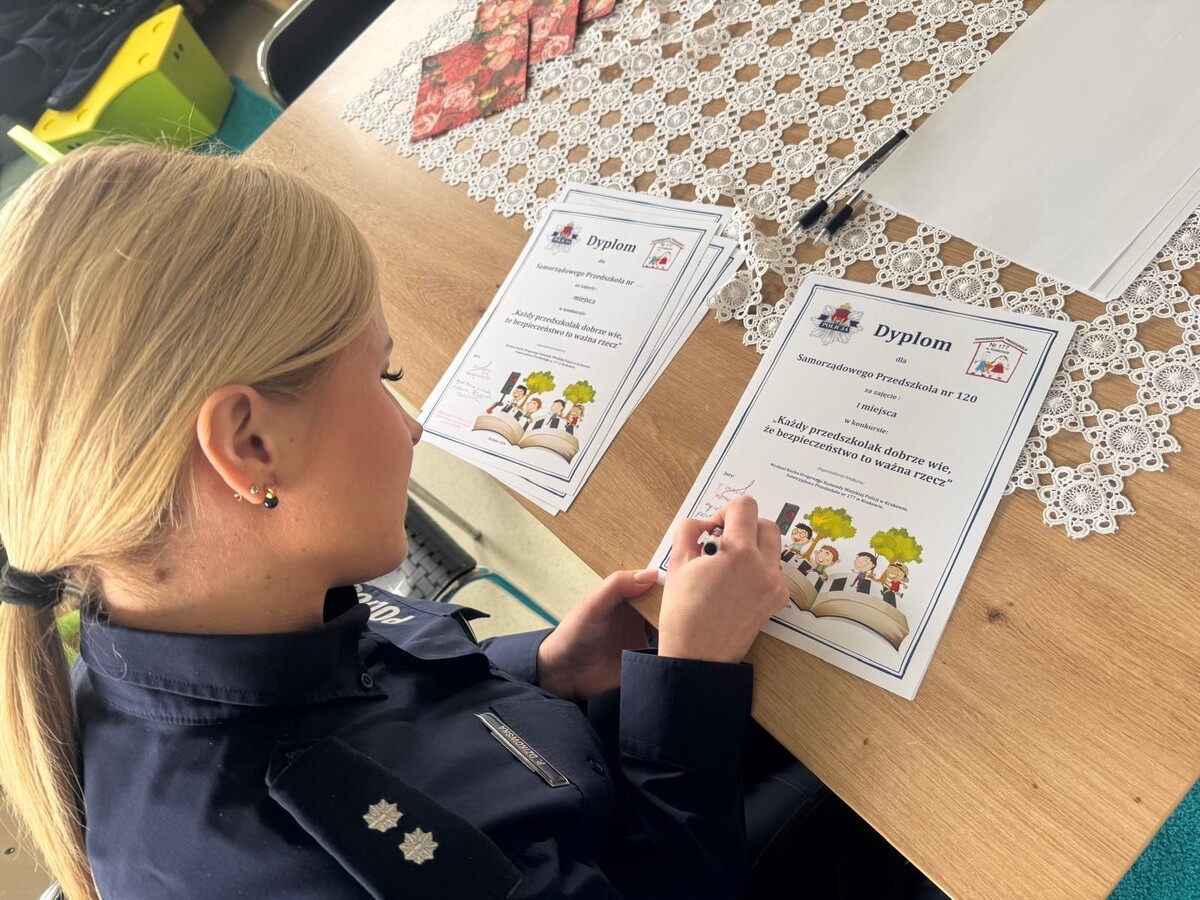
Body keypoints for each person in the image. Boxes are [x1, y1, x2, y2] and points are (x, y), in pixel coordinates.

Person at [0, 146, 826, 900]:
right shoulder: (323, 862)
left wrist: (543, 669)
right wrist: (690, 683)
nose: (414, 424)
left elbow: (379, 686)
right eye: (385, 375)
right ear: (250, 446)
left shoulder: (195, 603)